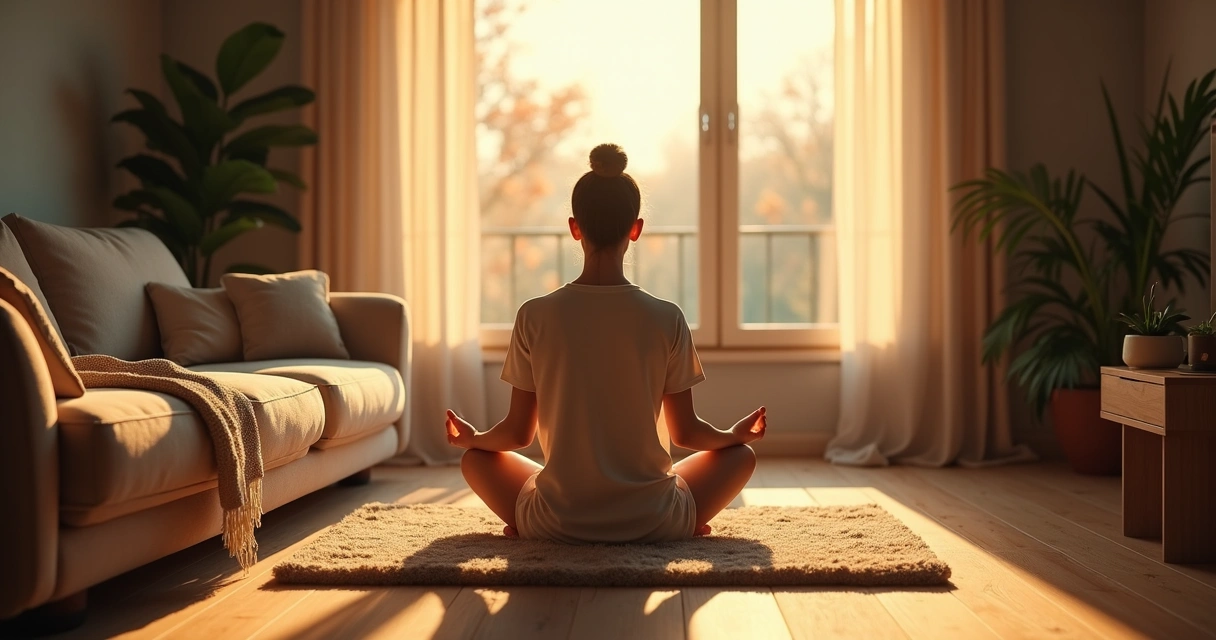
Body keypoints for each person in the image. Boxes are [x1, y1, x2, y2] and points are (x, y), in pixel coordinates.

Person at [445, 143, 766, 543]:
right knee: (741, 458)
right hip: (654, 521)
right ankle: (682, 522)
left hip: (555, 522)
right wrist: (734, 435)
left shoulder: (534, 315)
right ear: (636, 229)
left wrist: (471, 439)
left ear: (574, 227)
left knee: (476, 460)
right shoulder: (666, 317)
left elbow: (516, 435)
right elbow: (686, 433)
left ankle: (529, 523)